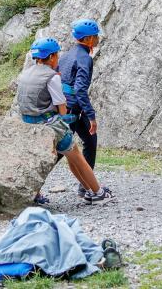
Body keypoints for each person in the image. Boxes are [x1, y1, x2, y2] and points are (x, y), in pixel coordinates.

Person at [17, 37, 113, 204]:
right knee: (75, 155)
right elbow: (61, 106)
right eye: (57, 55)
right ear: (53, 56)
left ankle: (35, 194)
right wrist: (68, 118)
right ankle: (97, 193)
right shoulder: (52, 76)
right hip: (49, 124)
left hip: (28, 123)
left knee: (38, 160)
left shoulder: (25, 74)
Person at [58, 19, 100, 198]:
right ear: (89, 39)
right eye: (96, 35)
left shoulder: (66, 55)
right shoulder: (84, 58)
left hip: (67, 107)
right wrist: (91, 116)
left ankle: (86, 187)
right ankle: (34, 187)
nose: (98, 38)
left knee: (90, 141)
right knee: (59, 151)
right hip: (73, 110)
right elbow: (80, 89)